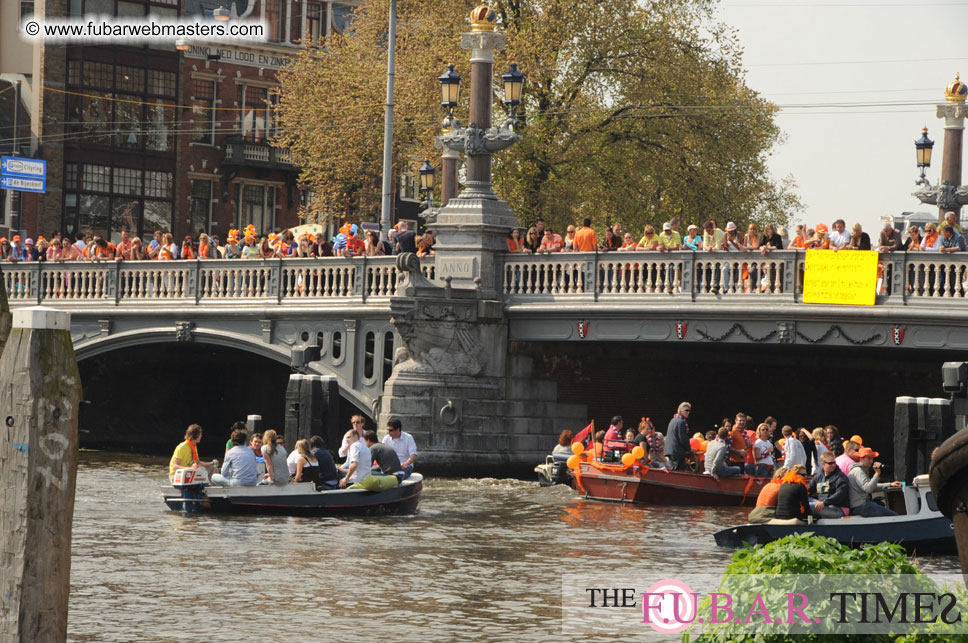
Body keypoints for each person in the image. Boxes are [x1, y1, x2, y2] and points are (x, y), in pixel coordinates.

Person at [848, 446, 901, 517]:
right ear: (861, 459)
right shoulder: (858, 471)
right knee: (894, 516)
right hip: (860, 506)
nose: (871, 461)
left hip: (860, 505)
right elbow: (868, 488)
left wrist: (890, 484)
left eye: (872, 458)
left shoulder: (859, 470)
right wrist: (877, 474)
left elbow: (871, 486)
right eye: (869, 458)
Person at [809, 451, 849, 518]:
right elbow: (809, 489)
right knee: (801, 501)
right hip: (823, 505)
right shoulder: (819, 476)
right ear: (823, 464)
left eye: (834, 462)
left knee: (808, 506)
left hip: (838, 509)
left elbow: (840, 495)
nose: (833, 465)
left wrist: (824, 503)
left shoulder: (841, 477)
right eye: (830, 463)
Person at [664, 402, 693, 471]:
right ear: (680, 410)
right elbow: (683, 438)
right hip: (677, 452)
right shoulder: (681, 422)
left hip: (670, 451)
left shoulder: (672, 420)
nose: (688, 412)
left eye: (689, 410)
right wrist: (689, 449)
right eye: (686, 410)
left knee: (673, 472)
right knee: (678, 472)